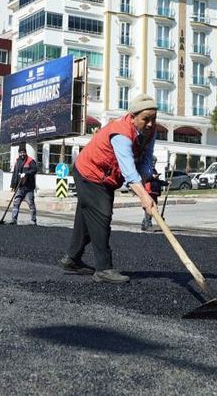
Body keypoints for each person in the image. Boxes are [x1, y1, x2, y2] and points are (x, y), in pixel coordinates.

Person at [59, 94, 159, 283]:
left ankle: (71, 259)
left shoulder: (150, 133)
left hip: (106, 179)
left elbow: (145, 161)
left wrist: (147, 184)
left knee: (87, 218)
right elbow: (129, 172)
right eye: (146, 119)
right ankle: (103, 269)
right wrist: (144, 197)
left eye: (154, 119)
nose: (150, 124)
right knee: (101, 216)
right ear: (133, 116)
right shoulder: (121, 134)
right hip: (89, 172)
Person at [8, 144, 38, 225]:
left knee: (31, 204)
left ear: (25, 152)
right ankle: (14, 219)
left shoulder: (30, 161)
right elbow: (15, 174)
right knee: (16, 203)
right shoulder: (17, 161)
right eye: (20, 152)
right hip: (19, 187)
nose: (22, 154)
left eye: (23, 152)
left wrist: (26, 173)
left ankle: (33, 220)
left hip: (28, 187)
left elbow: (35, 170)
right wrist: (13, 185)